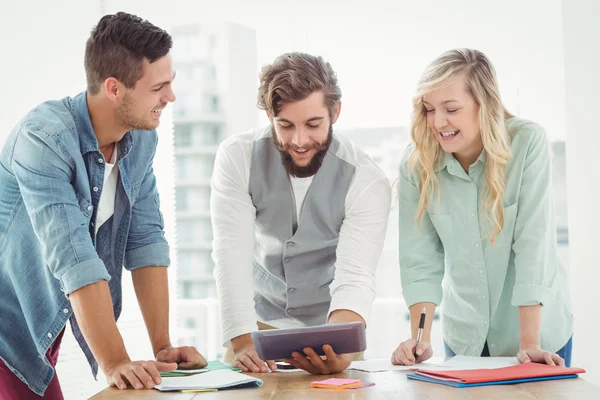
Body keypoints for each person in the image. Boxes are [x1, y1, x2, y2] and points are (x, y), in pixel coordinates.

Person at [0, 12, 206, 399]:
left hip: (39, 329)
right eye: (159, 86)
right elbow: (74, 258)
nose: (170, 97)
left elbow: (146, 239)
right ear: (114, 88)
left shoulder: (140, 140)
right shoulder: (43, 140)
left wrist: (162, 346)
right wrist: (115, 362)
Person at [211, 52, 391, 375]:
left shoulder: (367, 179)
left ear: (335, 111)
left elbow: (356, 275)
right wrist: (242, 343)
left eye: (313, 124)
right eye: (285, 125)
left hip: (330, 331)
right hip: (254, 330)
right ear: (269, 115)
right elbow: (230, 255)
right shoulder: (237, 157)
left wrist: (342, 350)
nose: (299, 141)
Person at [391, 48, 573, 368]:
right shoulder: (416, 165)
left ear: (483, 104)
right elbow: (419, 261)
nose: (438, 122)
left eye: (451, 108)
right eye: (429, 109)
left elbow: (534, 245)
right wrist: (419, 341)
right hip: (465, 340)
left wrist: (529, 343)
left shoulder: (527, 143)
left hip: (536, 335)